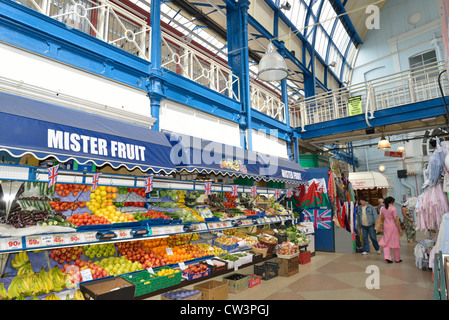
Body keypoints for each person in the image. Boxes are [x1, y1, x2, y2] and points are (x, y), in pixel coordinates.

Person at [379, 197, 403, 263]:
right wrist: (400, 229)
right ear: (392, 202)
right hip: (393, 226)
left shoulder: (382, 208)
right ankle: (397, 259)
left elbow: (381, 218)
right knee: (395, 241)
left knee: (386, 241)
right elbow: (396, 219)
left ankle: (387, 257)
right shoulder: (393, 208)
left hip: (386, 226)